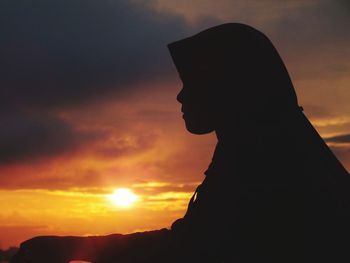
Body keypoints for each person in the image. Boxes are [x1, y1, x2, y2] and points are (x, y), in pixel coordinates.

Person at [11, 23, 350, 263]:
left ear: (228, 84)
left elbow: (188, 250)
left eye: (194, 82)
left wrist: (70, 248)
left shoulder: (265, 161)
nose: (180, 95)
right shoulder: (262, 146)